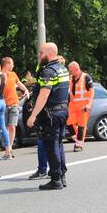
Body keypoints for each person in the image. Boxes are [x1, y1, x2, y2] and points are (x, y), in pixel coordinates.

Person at [27, 42, 71, 190]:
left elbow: (43, 96)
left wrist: (33, 116)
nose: (39, 56)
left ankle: (56, 179)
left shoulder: (48, 71)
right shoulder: (63, 69)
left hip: (51, 114)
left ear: (50, 53)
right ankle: (61, 175)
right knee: (58, 143)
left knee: (51, 145)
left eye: (41, 53)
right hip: (62, 111)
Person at [1, 57, 28, 159]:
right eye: (12, 64)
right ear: (7, 64)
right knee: (5, 128)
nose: (13, 65)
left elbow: (19, 83)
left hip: (14, 104)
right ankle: (7, 148)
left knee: (12, 126)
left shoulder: (13, 74)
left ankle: (10, 148)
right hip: (3, 105)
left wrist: (25, 90)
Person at [67, 61, 95, 152]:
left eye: (71, 70)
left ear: (76, 69)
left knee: (81, 125)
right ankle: (77, 139)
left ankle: (79, 145)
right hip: (72, 105)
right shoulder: (70, 79)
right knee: (69, 123)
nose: (70, 72)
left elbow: (92, 92)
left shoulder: (86, 77)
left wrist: (89, 104)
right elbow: (69, 92)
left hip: (84, 106)